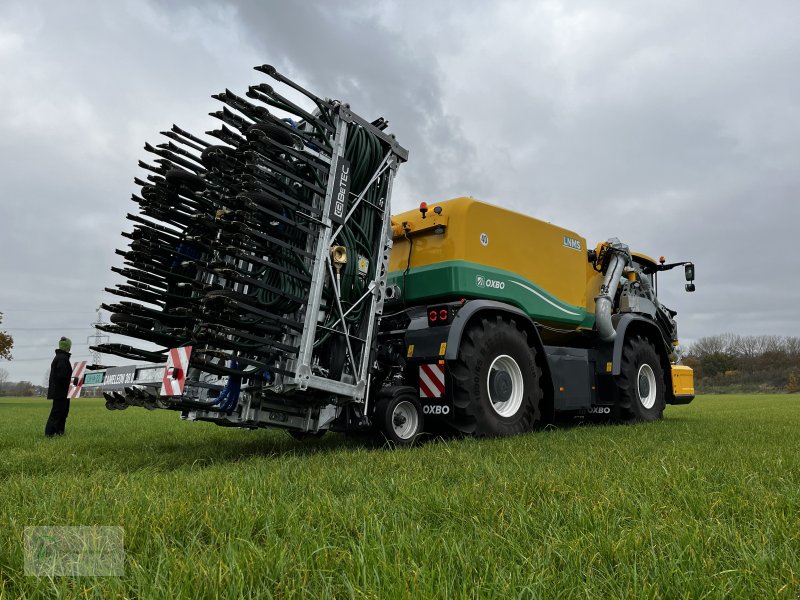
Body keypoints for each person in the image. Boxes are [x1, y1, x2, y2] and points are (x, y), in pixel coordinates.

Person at [45, 336, 73, 437]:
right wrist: (73, 379)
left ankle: (59, 432)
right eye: (69, 346)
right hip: (60, 391)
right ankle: (50, 434)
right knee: (57, 413)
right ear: (67, 347)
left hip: (63, 391)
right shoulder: (62, 358)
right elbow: (62, 376)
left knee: (63, 412)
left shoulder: (62, 357)